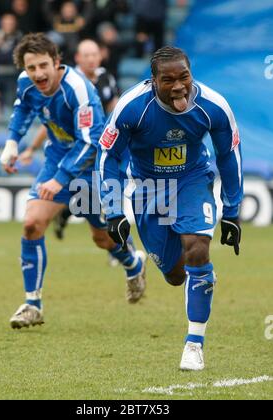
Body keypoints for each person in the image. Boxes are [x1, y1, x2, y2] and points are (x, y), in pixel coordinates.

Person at [97, 47, 243, 371]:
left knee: (197, 249)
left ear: (192, 74)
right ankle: (194, 276)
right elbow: (109, 159)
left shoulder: (213, 107)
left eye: (184, 77)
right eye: (168, 80)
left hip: (193, 181)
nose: (179, 86)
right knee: (176, 275)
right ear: (153, 81)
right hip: (148, 189)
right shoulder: (132, 108)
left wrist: (232, 211)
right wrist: (115, 211)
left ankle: (194, 344)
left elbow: (229, 156)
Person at [0, 33, 147, 330]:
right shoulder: (26, 83)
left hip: (94, 165)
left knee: (102, 238)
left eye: (43, 66)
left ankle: (133, 263)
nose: (38, 74)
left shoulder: (78, 89)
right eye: (31, 68)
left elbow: (91, 142)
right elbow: (23, 109)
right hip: (57, 158)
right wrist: (13, 143)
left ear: (57, 62)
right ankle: (33, 304)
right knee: (31, 224)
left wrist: (60, 180)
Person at [20, 39, 120, 240]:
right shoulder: (63, 82)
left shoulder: (106, 79)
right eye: (86, 55)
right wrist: (31, 148)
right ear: (77, 58)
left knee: (100, 231)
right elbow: (50, 123)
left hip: (93, 160)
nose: (91, 59)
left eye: (94, 55)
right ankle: (63, 215)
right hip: (65, 157)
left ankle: (126, 256)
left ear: (100, 56)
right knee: (34, 222)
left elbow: (115, 114)